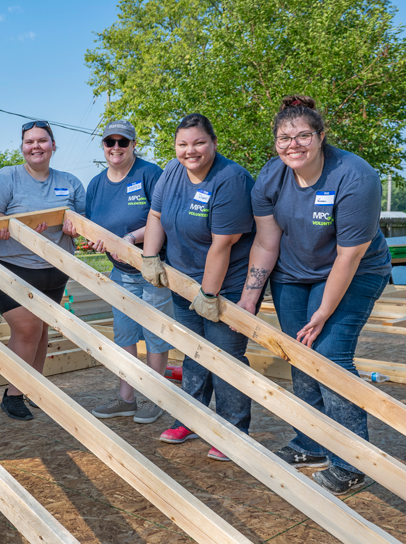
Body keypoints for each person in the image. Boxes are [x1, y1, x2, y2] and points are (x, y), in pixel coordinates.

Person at [236, 95, 392, 494]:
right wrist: (250, 297)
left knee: (328, 356)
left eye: (304, 136)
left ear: (322, 137)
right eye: (285, 138)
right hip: (292, 273)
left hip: (355, 270)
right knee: (298, 354)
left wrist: (323, 312)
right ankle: (311, 444)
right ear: (275, 142)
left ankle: (352, 463)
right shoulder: (270, 178)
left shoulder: (355, 177)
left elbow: (350, 253)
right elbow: (267, 243)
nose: (294, 145)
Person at [141, 113, 255, 461]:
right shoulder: (172, 172)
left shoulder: (230, 179)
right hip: (183, 279)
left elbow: (223, 243)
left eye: (199, 143)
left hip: (225, 283)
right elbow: (156, 216)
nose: (190, 151)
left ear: (214, 143)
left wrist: (208, 294)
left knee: (224, 356)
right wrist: (149, 256)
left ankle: (232, 430)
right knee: (192, 350)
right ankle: (190, 419)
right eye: (183, 144)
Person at [0, 121, 86, 421]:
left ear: (54, 145)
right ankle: (13, 395)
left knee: (41, 330)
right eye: (29, 142)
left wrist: (74, 226)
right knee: (26, 329)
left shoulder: (70, 181)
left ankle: (34, 389)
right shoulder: (7, 178)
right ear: (22, 147)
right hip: (12, 264)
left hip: (54, 266)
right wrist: (13, 226)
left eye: (42, 140)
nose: (36, 146)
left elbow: (83, 222)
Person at [85, 120, 174, 424]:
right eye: (110, 142)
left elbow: (163, 217)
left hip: (151, 269)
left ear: (134, 145)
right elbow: (93, 226)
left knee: (155, 335)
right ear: (104, 147)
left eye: (123, 142)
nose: (116, 148)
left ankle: (155, 399)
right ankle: (126, 399)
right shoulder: (96, 184)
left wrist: (132, 238)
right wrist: (93, 240)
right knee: (124, 334)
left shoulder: (150, 174)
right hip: (120, 272)